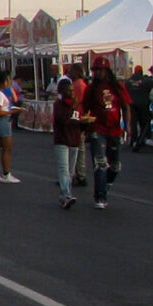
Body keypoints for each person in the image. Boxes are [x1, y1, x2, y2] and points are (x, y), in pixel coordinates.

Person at [80, 57, 132, 209]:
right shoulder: (91, 89)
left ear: (107, 71)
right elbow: (86, 108)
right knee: (100, 163)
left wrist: (128, 126)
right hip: (98, 129)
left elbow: (126, 106)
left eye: (101, 70)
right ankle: (100, 196)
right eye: (96, 70)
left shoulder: (118, 87)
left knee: (115, 166)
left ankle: (105, 186)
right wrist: (85, 125)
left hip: (115, 129)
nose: (98, 73)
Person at [52, 78, 82, 209]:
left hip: (74, 139)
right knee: (63, 169)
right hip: (62, 140)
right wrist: (72, 107)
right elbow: (62, 119)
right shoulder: (58, 104)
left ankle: (63, 196)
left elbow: (79, 121)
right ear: (62, 91)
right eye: (68, 90)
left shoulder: (77, 105)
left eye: (72, 90)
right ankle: (67, 194)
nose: (71, 93)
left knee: (70, 171)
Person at [125, 64, 153, 151]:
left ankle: (134, 140)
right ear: (141, 71)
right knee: (145, 122)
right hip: (143, 104)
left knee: (134, 123)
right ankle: (147, 138)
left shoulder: (129, 81)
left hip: (132, 104)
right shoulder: (145, 80)